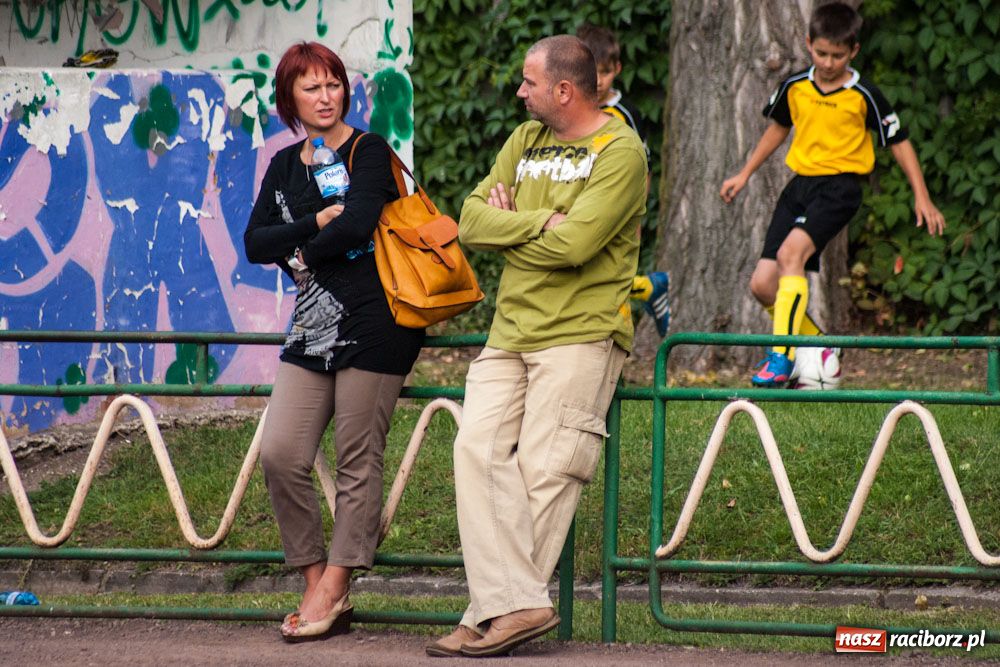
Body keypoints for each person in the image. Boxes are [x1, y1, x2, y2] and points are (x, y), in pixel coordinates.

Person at [424, 35, 646, 658]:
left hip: (581, 334)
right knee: (476, 449)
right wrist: (537, 222)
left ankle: (487, 614)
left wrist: (513, 227)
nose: (519, 92)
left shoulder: (619, 152)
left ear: (564, 90)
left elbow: (576, 248)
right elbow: (469, 220)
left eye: (528, 83)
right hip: (510, 330)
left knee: (544, 475)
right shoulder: (524, 143)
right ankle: (517, 606)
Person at [243, 41, 424, 642]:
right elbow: (253, 243)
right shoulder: (285, 165)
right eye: (311, 88)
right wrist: (310, 228)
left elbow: (357, 222)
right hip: (313, 323)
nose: (326, 97)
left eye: (333, 84)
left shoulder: (368, 150)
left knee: (356, 458)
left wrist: (298, 245)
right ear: (290, 98)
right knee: (280, 453)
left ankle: (335, 586)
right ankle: (316, 575)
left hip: (378, 319)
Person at [719, 2, 945, 387]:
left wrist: (921, 196)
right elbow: (778, 129)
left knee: (792, 255)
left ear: (853, 51)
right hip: (800, 188)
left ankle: (781, 357)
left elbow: (899, 142)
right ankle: (822, 345)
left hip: (840, 188)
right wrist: (744, 173)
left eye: (837, 55)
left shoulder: (864, 94)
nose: (828, 62)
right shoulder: (794, 86)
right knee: (762, 284)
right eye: (821, 53)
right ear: (809, 44)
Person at [576, 22, 671, 338]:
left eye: (604, 72)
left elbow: (641, 167)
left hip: (619, 210)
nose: (597, 81)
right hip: (581, 210)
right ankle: (648, 288)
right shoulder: (573, 110)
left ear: (617, 68)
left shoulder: (626, 114)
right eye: (591, 72)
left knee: (611, 278)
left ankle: (616, 353)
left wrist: (636, 212)